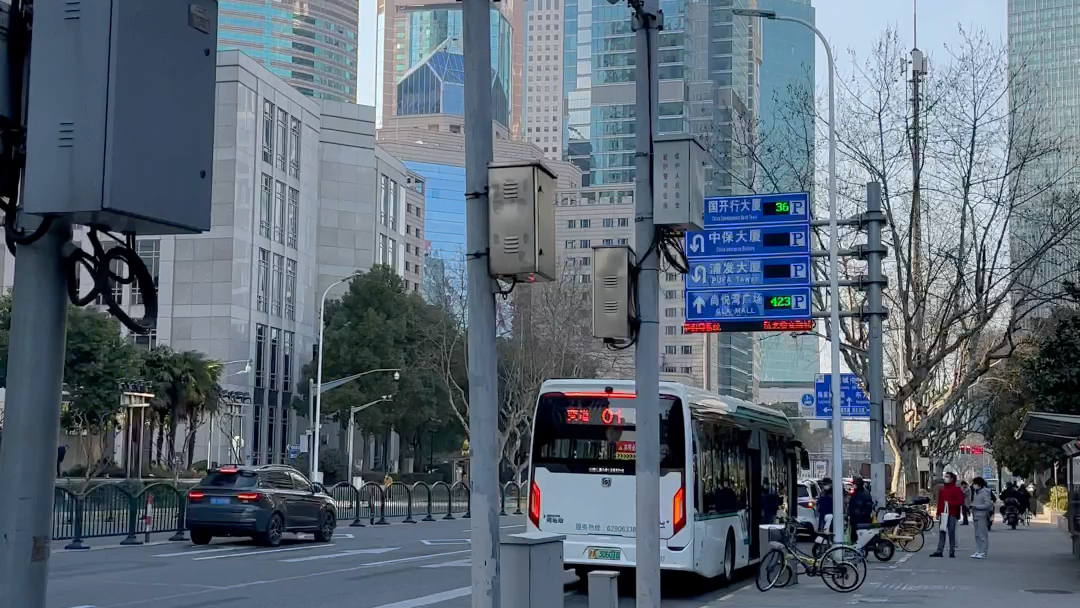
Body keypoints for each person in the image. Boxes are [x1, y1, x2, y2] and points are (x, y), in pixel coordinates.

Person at [930, 471, 965, 557]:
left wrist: (949, 503)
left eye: (947, 477)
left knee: (951, 532)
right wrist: (938, 513)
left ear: (952, 479)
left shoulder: (957, 490)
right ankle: (939, 550)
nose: (945, 478)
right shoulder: (942, 490)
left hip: (952, 513)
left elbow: (960, 501)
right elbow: (940, 503)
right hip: (943, 514)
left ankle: (951, 551)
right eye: (945, 476)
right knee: (942, 531)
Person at [970, 476, 993, 558]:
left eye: (975, 483)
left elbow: (987, 505)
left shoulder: (985, 492)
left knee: (982, 534)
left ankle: (984, 551)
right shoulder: (976, 492)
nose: (973, 485)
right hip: (975, 515)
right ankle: (978, 550)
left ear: (979, 484)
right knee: (977, 535)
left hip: (982, 515)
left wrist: (976, 506)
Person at [847, 477, 874, 543]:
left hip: (862, 520)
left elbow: (868, 507)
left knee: (860, 537)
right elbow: (851, 505)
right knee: (854, 535)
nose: (853, 486)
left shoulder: (865, 494)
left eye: (855, 484)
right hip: (854, 519)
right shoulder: (855, 494)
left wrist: (861, 514)